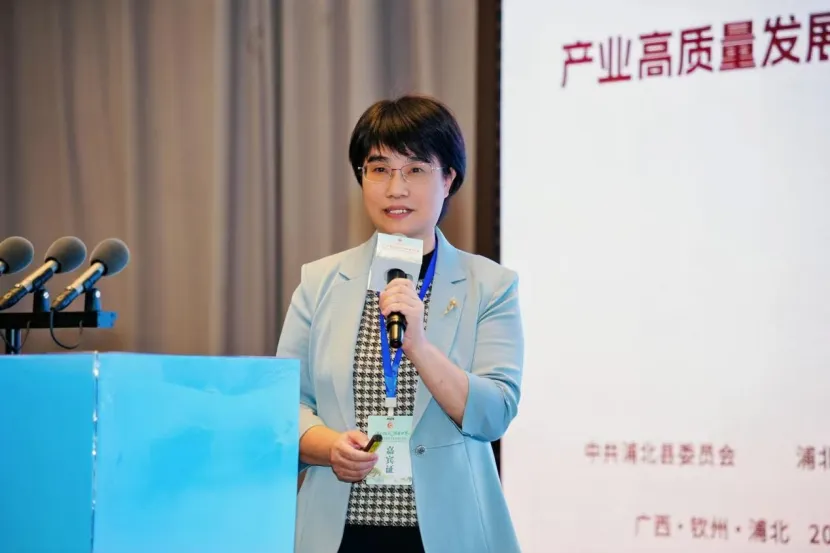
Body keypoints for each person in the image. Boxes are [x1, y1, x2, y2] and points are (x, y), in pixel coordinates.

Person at [277, 95, 524, 553]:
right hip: (336, 531)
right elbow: (285, 403)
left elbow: (495, 412)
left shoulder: (490, 285)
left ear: (448, 178)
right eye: (379, 169)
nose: (396, 188)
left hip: (447, 533)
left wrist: (419, 347)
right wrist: (329, 446)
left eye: (415, 169)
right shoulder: (320, 281)